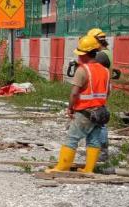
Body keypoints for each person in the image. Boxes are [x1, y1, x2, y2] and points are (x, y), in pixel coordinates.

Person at [47, 35, 111, 174]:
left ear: (85, 55)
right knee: (93, 140)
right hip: (100, 112)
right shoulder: (106, 71)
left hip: (84, 112)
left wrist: (70, 107)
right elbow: (108, 92)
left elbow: (74, 93)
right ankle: (88, 169)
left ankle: (62, 167)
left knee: (72, 138)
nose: (79, 57)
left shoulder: (83, 70)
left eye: (80, 54)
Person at [87, 28, 112, 161]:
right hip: (103, 86)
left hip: (100, 87)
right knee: (98, 118)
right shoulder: (106, 52)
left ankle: (101, 150)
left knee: (100, 120)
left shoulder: (101, 56)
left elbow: (91, 66)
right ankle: (97, 148)